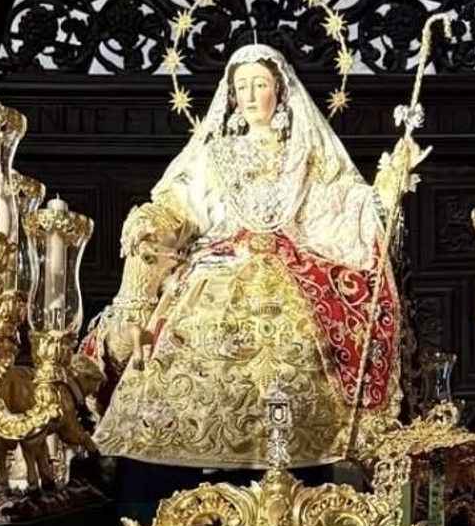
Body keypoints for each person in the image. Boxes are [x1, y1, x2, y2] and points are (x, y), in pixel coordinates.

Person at [80, 43, 424, 491]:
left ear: (278, 92)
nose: (249, 94)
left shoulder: (304, 156)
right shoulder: (213, 154)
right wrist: (153, 220)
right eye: (241, 86)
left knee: (298, 359)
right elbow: (181, 207)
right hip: (218, 272)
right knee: (189, 356)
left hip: (288, 276)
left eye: (259, 84)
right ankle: (177, 481)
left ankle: (296, 475)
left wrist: (387, 184)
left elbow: (340, 209)